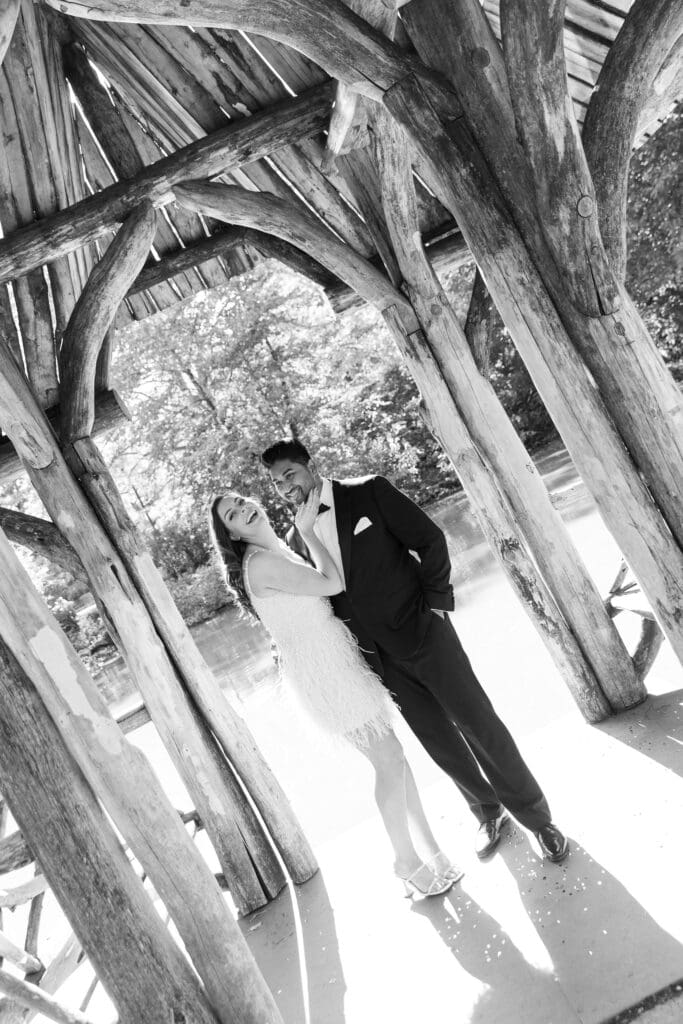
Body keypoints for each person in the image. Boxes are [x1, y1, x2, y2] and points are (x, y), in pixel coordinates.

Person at [260, 439, 569, 864]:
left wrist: (437, 605)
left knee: (480, 725)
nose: (285, 487)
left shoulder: (369, 491)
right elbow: (321, 599)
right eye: (277, 483)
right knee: (439, 742)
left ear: (310, 465)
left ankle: (538, 820)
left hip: (426, 633)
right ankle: (488, 813)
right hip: (379, 658)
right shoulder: (297, 536)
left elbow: (430, 540)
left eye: (289, 474)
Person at [209, 488, 464, 897]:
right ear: (233, 535)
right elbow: (332, 583)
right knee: (388, 759)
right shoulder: (262, 563)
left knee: (394, 757)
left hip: (337, 658)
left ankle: (430, 849)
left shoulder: (276, 551)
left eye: (241, 502)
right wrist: (309, 532)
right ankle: (405, 859)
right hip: (324, 672)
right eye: (232, 515)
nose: (243, 510)